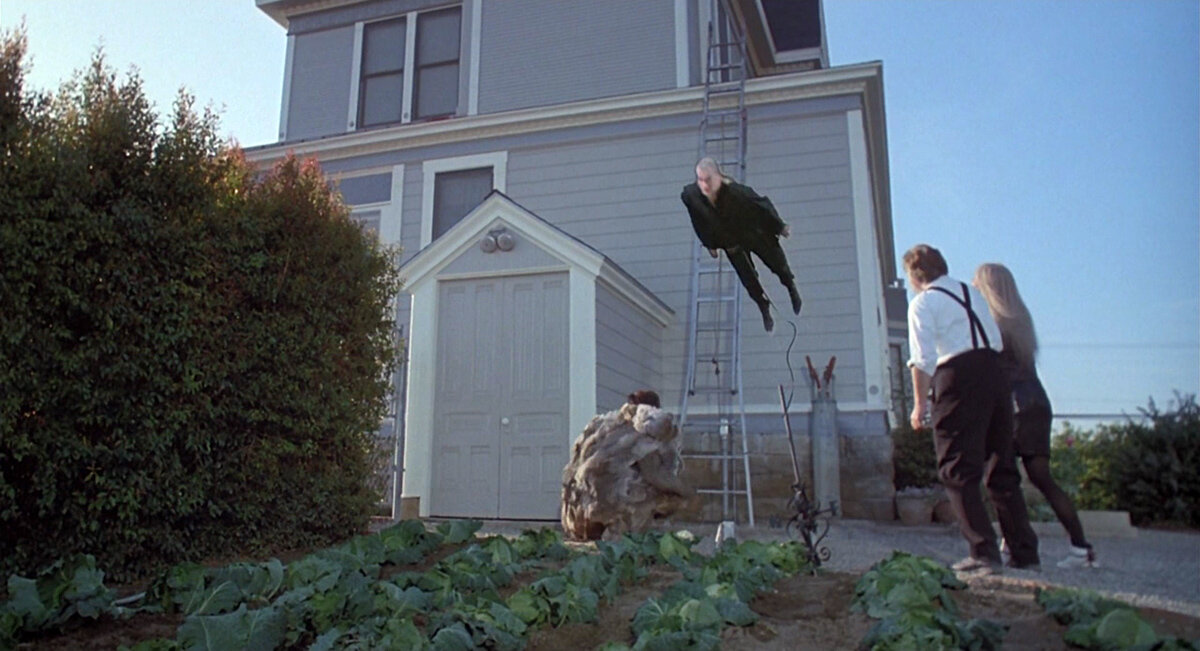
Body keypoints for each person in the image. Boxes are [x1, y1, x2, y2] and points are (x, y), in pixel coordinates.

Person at [904, 244, 1040, 573]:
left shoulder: (923, 303)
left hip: (958, 376)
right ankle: (1024, 552)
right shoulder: (972, 293)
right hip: (995, 372)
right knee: (1000, 465)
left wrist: (919, 405)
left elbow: (923, 360)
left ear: (914, 275)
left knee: (957, 468)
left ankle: (983, 552)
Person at [973, 263, 1098, 569]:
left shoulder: (991, 322)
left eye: (977, 282)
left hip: (1012, 406)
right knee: (1042, 478)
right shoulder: (1021, 319)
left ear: (986, 287)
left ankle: (1015, 546)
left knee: (1000, 478)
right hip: (1037, 402)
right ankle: (1080, 547)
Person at [681, 157, 802, 332]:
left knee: (777, 264)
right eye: (700, 180)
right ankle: (763, 305)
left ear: (718, 177)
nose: (704, 185)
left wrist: (780, 226)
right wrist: (709, 244)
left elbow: (762, 205)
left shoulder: (736, 192)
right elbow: (698, 222)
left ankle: (790, 287)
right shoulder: (692, 196)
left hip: (754, 232)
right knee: (749, 279)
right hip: (731, 241)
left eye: (708, 180)